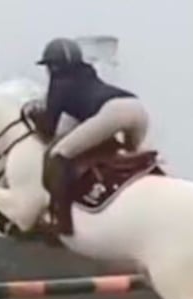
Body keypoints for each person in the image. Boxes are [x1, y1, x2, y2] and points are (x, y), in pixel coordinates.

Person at [26, 37, 150, 235]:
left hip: (112, 113)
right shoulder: (87, 73)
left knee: (58, 155)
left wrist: (35, 116)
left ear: (54, 66)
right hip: (137, 108)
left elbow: (49, 129)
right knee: (134, 156)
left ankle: (62, 221)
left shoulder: (58, 83)